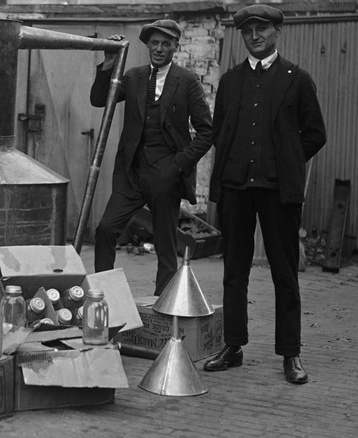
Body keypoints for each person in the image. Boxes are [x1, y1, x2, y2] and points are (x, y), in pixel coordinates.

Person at [204, 5, 326, 384]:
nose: (255, 36)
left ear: (276, 31)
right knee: (233, 272)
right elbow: (221, 131)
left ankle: (291, 354)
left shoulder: (297, 80)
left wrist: (286, 161)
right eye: (248, 31)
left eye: (262, 29)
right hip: (236, 189)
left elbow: (314, 134)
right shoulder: (230, 81)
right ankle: (233, 346)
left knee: (284, 274)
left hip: (277, 191)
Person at [90, 20, 212, 295]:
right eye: (154, 43)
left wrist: (178, 165)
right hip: (131, 174)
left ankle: (163, 309)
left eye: (166, 44)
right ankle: (103, 297)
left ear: (175, 48)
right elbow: (99, 99)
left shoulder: (187, 81)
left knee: (166, 246)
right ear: (147, 45)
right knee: (106, 229)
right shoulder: (133, 77)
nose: (159, 49)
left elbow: (207, 132)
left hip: (166, 175)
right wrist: (109, 62)